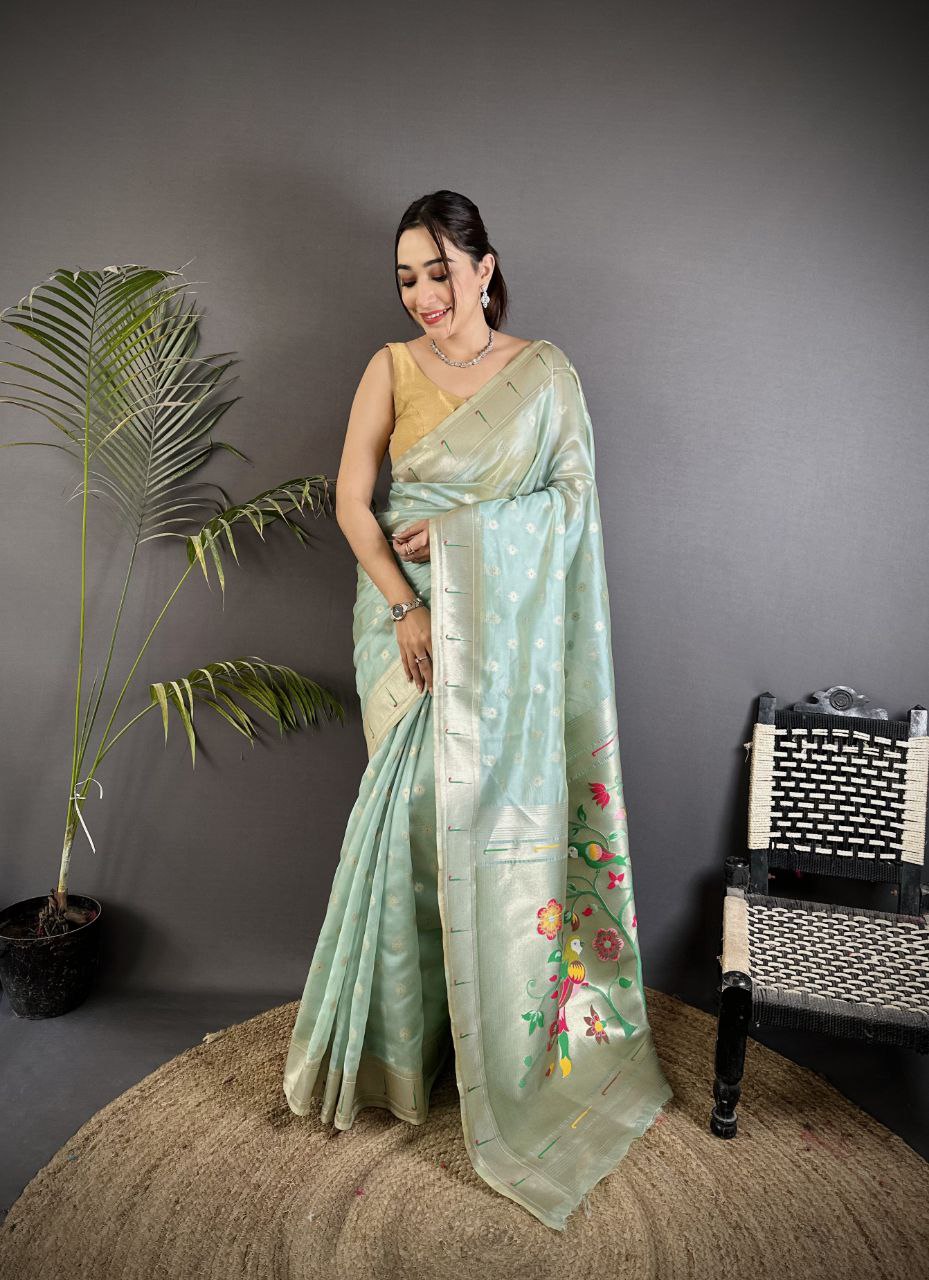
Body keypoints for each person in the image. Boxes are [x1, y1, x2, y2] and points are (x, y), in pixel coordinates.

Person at [283, 190, 672, 1232]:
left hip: (503, 634)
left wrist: (467, 537)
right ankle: (403, 1058)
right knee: (412, 831)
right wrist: (407, 605)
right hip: (403, 624)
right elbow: (351, 501)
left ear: (484, 267)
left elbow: (571, 506)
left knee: (491, 828)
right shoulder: (389, 367)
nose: (423, 294)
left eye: (440, 271)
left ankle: (498, 1039)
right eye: (406, 276)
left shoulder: (543, 374)